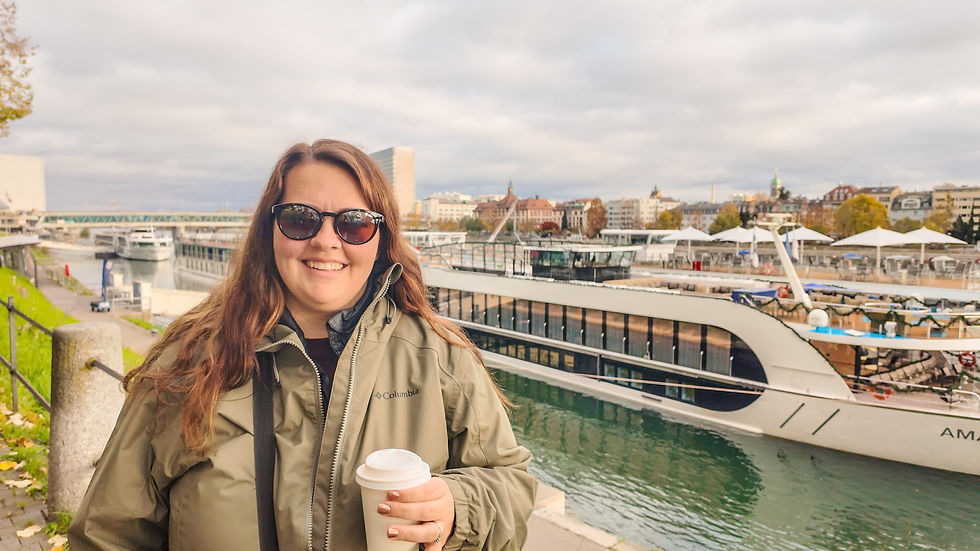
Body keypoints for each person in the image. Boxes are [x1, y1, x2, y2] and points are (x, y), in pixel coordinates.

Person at [68, 139, 536, 550]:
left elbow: (510, 484)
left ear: (381, 236)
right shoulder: (189, 362)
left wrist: (457, 507)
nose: (326, 241)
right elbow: (109, 533)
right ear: (269, 230)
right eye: (300, 219)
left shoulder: (439, 358)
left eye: (353, 224)